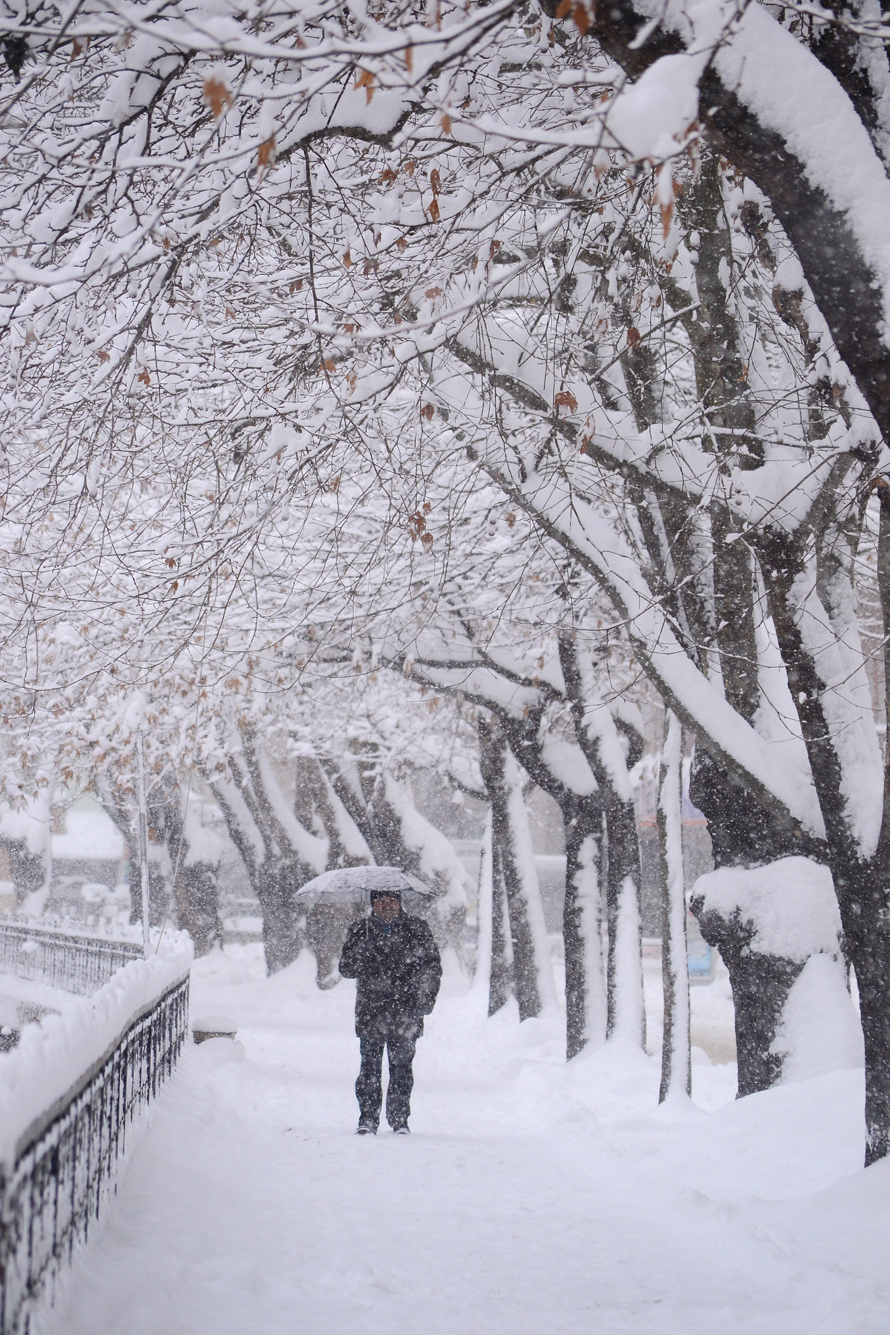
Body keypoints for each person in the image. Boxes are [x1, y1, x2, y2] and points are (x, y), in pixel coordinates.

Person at [338, 887, 442, 1135]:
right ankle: (367, 1119)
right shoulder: (360, 930)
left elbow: (432, 967)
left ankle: (399, 1120)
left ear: (399, 903)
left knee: (402, 1068)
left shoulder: (417, 929)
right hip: (371, 1010)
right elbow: (345, 968)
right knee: (369, 1068)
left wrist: (425, 999)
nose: (385, 906)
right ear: (373, 905)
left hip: (406, 1010)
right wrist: (361, 955)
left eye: (390, 901)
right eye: (380, 901)